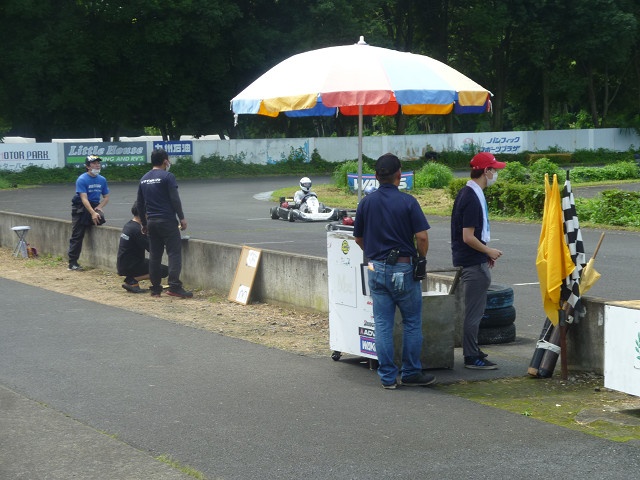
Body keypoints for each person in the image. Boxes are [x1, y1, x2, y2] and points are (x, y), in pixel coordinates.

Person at [353, 153, 435, 390]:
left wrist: (374, 254)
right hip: (403, 267)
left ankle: (388, 377)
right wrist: (421, 258)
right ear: (399, 175)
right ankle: (411, 372)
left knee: (382, 324)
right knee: (411, 322)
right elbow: (422, 237)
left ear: (376, 176)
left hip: (375, 267)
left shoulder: (366, 203)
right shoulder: (408, 202)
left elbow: (358, 238)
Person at [450, 151, 506, 370]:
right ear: (486, 171)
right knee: (474, 313)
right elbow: (468, 236)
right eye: (494, 170)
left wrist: (484, 253)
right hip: (472, 262)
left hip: (472, 258)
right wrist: (488, 251)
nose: (496, 174)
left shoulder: (468, 193)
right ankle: (471, 356)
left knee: (474, 311)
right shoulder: (472, 198)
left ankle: (473, 350)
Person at [136, 148, 192, 298]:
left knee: (155, 255)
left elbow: (140, 204)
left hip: (152, 222)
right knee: (174, 253)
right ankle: (174, 286)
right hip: (167, 220)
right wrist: (181, 217)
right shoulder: (168, 176)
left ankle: (155, 288)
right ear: (165, 161)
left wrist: (144, 224)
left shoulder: (144, 179)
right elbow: (174, 198)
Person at [68, 155, 110, 271]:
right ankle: (72, 262)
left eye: (98, 163)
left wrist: (99, 208)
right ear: (88, 166)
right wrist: (92, 213)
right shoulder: (82, 179)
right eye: (94, 163)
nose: (97, 165)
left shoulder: (102, 179)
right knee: (77, 234)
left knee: (100, 219)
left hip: (94, 204)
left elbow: (106, 197)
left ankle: (88, 220)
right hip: (81, 206)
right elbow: (84, 199)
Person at [117, 201, 168, 293]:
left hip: (124, 263)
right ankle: (133, 280)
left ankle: (132, 279)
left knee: (152, 264)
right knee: (164, 270)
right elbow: (151, 248)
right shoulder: (138, 230)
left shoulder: (129, 225)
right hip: (132, 265)